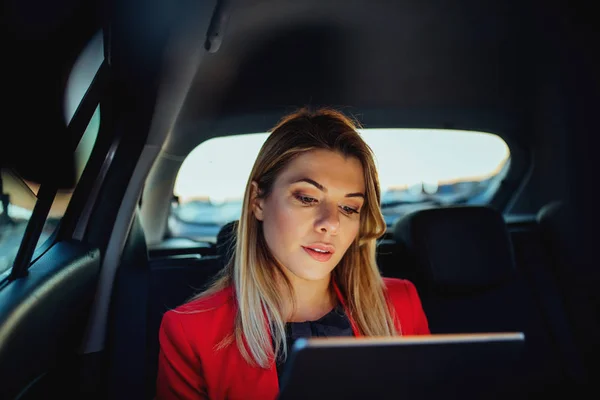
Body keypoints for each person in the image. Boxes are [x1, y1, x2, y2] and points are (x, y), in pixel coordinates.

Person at [156, 108, 430, 400]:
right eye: (308, 198)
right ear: (257, 201)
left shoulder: (400, 306)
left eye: (349, 208)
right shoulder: (191, 331)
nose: (331, 224)